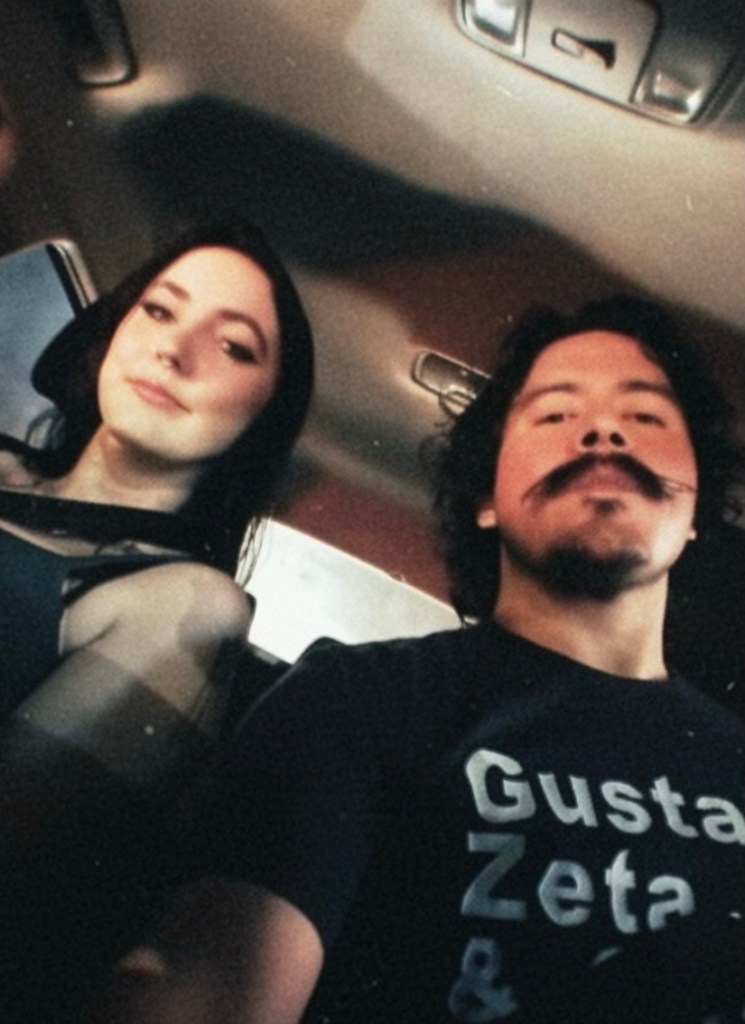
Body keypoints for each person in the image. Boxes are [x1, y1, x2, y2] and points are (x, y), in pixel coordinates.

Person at [96, 295, 745, 1024]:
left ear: (696, 511)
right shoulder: (354, 698)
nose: (603, 430)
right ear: (486, 497)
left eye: (646, 416)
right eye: (556, 414)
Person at [0, 217, 313, 1021]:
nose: (175, 349)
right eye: (160, 310)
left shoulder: (187, 603)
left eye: (234, 346)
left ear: (264, 416)